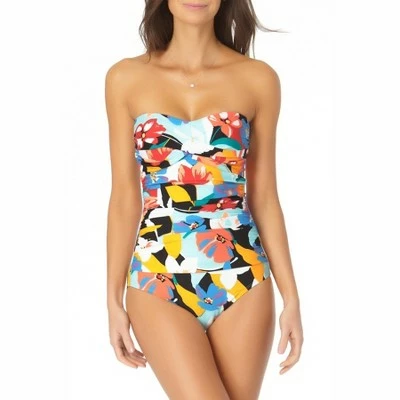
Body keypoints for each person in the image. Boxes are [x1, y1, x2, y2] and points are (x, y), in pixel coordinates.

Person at [105, 1, 303, 398]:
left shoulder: (258, 79)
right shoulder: (125, 78)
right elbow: (125, 197)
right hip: (156, 277)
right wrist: (112, 299)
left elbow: (264, 197)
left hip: (244, 278)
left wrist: (291, 298)